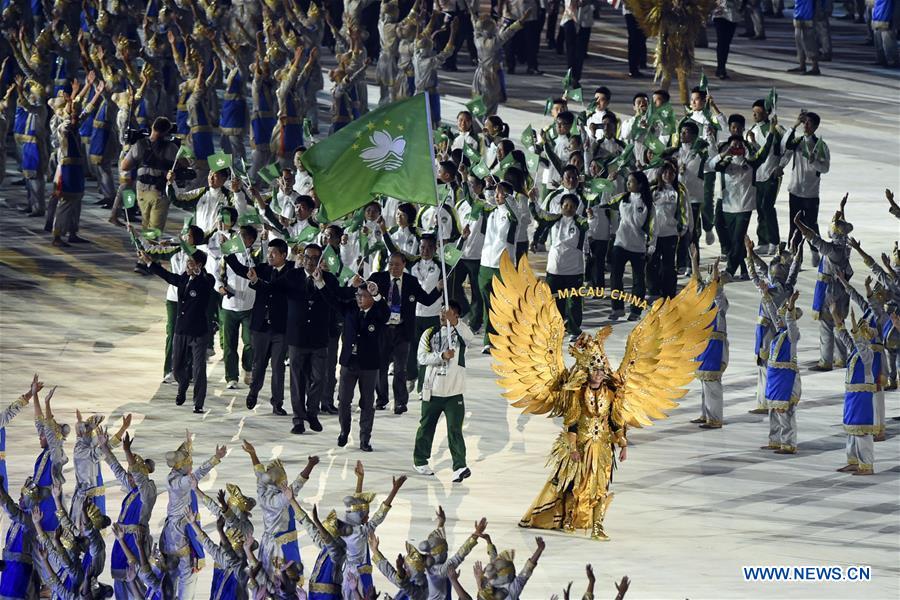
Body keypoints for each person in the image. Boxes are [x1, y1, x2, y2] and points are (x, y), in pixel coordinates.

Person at [492, 252, 717, 541]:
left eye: (601, 371)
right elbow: (572, 422)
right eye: (595, 371)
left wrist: (621, 442)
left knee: (599, 485)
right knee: (573, 483)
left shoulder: (612, 392)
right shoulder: (577, 391)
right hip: (580, 445)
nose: (599, 375)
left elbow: (615, 420)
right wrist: (573, 445)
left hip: (602, 447)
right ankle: (568, 517)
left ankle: (597, 525)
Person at [250, 244, 338, 433]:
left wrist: (321, 283)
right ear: (302, 258)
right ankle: (298, 419)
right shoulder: (292, 276)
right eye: (307, 257)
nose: (310, 261)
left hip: (319, 338)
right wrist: (256, 281)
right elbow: (272, 288)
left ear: (320, 260)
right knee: (297, 380)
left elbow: (334, 301)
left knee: (318, 378)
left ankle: (312, 412)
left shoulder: (329, 279)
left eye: (315, 258)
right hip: (297, 337)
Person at [139, 248, 215, 413]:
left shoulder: (207, 280)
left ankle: (198, 403)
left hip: (198, 333)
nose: (187, 264)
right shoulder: (183, 278)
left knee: (199, 369)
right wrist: (149, 262)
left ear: (199, 265)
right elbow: (167, 276)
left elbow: (207, 284)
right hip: (181, 330)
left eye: (190, 262)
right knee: (177, 367)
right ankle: (183, 384)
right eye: (187, 261)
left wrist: (199, 274)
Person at [368, 251, 444, 414]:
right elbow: (364, 292)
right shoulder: (377, 278)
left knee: (400, 369)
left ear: (404, 265)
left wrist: (438, 289)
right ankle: (381, 399)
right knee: (380, 367)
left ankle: (400, 402)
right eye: (391, 264)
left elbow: (426, 300)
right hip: (382, 330)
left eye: (397, 265)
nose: (393, 268)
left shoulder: (411, 281)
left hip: (402, 331)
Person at [414, 301, 478, 482]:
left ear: (456, 315)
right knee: (426, 427)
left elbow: (470, 337)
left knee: (454, 430)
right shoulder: (429, 333)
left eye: (448, 312)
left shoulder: (461, 333)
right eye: (442, 311)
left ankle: (459, 467)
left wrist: (455, 323)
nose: (443, 314)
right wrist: (441, 356)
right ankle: (420, 460)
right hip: (432, 391)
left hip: (454, 392)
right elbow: (421, 357)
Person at [160, 432, 227, 598]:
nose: (191, 467)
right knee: (187, 574)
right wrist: (215, 459)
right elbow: (195, 476)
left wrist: (188, 444)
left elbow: (189, 467)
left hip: (172, 530)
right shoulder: (180, 482)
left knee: (172, 574)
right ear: (181, 466)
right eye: (188, 464)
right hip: (180, 532)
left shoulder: (175, 474)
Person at [336, 281, 390, 451]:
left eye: (363, 296)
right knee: (344, 400)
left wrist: (377, 295)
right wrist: (321, 283)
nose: (359, 299)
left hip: (369, 365)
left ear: (371, 298)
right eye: (358, 295)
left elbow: (387, 313)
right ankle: (344, 431)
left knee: (367, 403)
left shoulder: (378, 313)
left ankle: (365, 439)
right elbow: (332, 299)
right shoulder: (350, 309)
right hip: (349, 363)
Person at [833, 310, 878, 475]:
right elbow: (844, 336)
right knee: (852, 428)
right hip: (852, 395)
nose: (857, 333)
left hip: (862, 396)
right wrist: (834, 314)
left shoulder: (868, 353)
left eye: (860, 331)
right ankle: (853, 461)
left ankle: (866, 465)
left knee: (862, 429)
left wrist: (853, 321)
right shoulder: (855, 351)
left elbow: (857, 342)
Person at [604, 172, 652, 321]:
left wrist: (652, 246)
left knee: (638, 280)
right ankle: (617, 308)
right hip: (620, 243)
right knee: (615, 276)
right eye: (628, 181)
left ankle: (635, 311)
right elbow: (606, 201)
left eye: (631, 181)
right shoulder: (623, 198)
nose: (628, 184)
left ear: (640, 184)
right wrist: (608, 184)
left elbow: (653, 226)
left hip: (638, 246)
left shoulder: (647, 203)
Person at [782, 111, 830, 258]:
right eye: (805, 122)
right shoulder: (798, 141)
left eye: (809, 123)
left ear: (815, 127)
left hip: (811, 192)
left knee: (811, 223)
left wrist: (814, 162)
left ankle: (815, 251)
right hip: (795, 190)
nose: (806, 125)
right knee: (794, 225)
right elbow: (785, 145)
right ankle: (794, 255)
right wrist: (795, 124)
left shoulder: (821, 146)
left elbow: (825, 168)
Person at [121, 116, 180, 232]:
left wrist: (128, 149)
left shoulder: (140, 144)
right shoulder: (171, 147)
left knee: (146, 224)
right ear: (167, 131)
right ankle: (150, 244)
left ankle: (146, 243)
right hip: (160, 191)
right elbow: (183, 164)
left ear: (152, 127)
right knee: (154, 231)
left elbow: (124, 166)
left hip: (141, 190)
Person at [692, 250, 728, 429]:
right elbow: (697, 283)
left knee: (712, 383)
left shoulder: (720, 302)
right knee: (704, 382)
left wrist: (715, 273)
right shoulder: (704, 301)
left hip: (714, 346)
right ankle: (705, 414)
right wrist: (694, 261)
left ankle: (715, 418)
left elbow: (716, 291)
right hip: (704, 345)